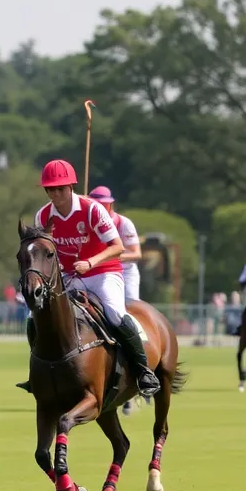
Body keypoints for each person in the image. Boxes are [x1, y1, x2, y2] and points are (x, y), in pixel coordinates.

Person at [33, 159, 160, 396]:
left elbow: (118, 246)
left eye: (61, 188)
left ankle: (143, 370)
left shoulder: (92, 209)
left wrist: (91, 262)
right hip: (68, 276)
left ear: (71, 187)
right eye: (51, 189)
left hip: (103, 272)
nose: (56, 194)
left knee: (114, 313)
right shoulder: (42, 217)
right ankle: (39, 372)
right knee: (37, 317)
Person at [89, 186, 142, 302]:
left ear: (110, 204)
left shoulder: (124, 223)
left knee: (130, 305)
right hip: (98, 272)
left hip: (125, 272)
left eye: (103, 204)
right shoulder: (87, 223)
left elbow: (136, 254)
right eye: (95, 204)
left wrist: (109, 258)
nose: (99, 207)